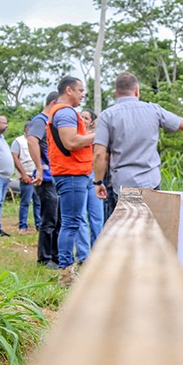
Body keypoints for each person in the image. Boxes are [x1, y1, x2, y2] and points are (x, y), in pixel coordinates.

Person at [93, 72, 183, 213]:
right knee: (152, 223)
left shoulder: (107, 115)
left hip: (125, 184)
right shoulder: (153, 110)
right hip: (151, 182)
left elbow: (100, 154)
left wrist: (98, 181)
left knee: (130, 224)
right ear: (137, 90)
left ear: (116, 93)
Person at [46, 77, 96, 283]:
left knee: (72, 221)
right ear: (69, 90)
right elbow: (71, 142)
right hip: (71, 173)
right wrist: (98, 135)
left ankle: (66, 270)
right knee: (71, 222)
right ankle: (66, 272)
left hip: (72, 172)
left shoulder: (63, 112)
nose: (83, 94)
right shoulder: (66, 112)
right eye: (80, 90)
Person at [28, 91, 60, 267]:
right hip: (46, 179)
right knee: (49, 219)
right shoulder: (40, 121)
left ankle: (55, 257)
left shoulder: (51, 122)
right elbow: (32, 141)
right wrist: (39, 168)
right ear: (53, 103)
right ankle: (45, 258)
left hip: (55, 177)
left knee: (58, 219)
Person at [78, 107, 105, 247]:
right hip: (80, 175)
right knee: (81, 216)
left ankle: (98, 249)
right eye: (81, 117)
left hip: (93, 176)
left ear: (92, 122)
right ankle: (84, 253)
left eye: (86, 118)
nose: (83, 120)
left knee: (97, 216)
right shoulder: (75, 136)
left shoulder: (97, 137)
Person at [11, 131, 40, 232]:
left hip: (37, 175)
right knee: (25, 202)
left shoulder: (37, 140)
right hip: (27, 175)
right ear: (27, 129)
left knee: (38, 202)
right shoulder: (18, 141)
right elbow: (15, 158)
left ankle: (39, 225)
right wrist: (23, 174)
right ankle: (23, 226)